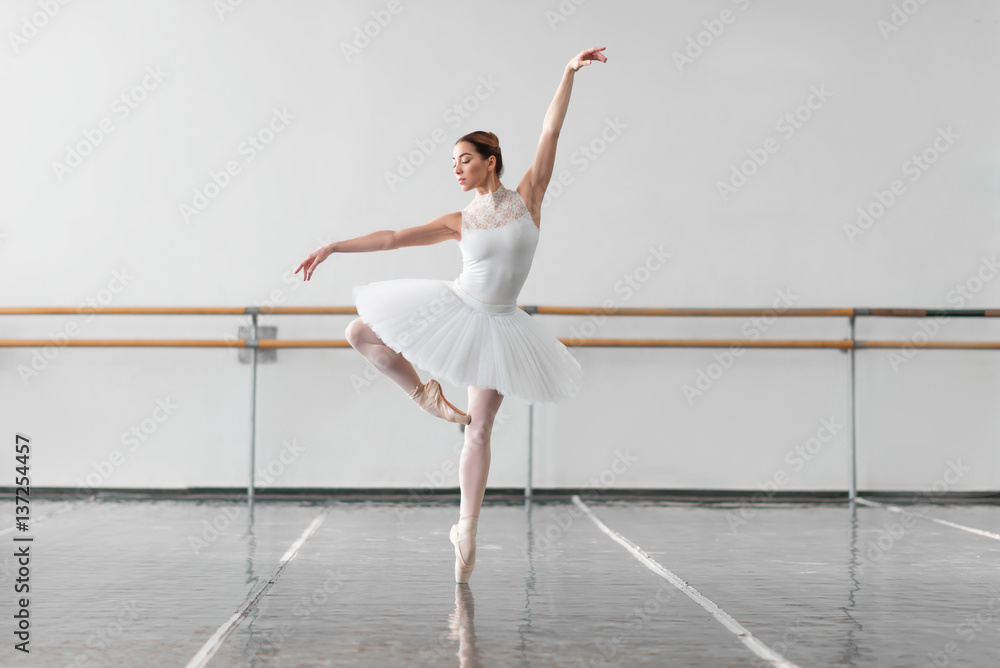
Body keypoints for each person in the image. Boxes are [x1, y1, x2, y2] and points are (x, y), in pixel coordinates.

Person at [296, 47, 608, 583]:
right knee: (359, 330)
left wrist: (567, 72)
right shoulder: (457, 220)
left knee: (481, 430)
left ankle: (466, 529)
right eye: (452, 163)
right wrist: (334, 246)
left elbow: (551, 133)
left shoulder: (529, 197)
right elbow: (393, 238)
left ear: (491, 160)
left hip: (502, 324)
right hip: (456, 305)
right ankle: (424, 395)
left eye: (464, 159)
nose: (456, 168)